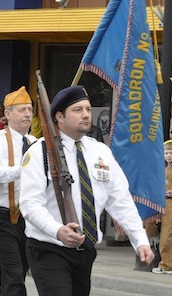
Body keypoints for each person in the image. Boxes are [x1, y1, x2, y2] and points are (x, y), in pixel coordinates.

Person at [19, 85, 153, 295]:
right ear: (59, 117)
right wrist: (57, 230)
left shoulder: (100, 152)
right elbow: (29, 204)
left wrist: (140, 240)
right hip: (49, 247)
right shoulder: (40, 152)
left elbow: (120, 201)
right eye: (78, 110)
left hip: (86, 250)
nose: (86, 115)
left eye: (88, 109)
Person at [0, 86, 35, 296]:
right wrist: (21, 170)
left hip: (28, 219)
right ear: (8, 114)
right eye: (22, 110)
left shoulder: (35, 143)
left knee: (16, 275)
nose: (28, 114)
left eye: (30, 109)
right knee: (14, 276)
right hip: (2, 218)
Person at [152, 140, 172, 274]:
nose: (169, 155)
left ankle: (166, 265)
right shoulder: (163, 169)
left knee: (167, 236)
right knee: (155, 230)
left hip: (170, 204)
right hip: (162, 203)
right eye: (166, 152)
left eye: (171, 152)